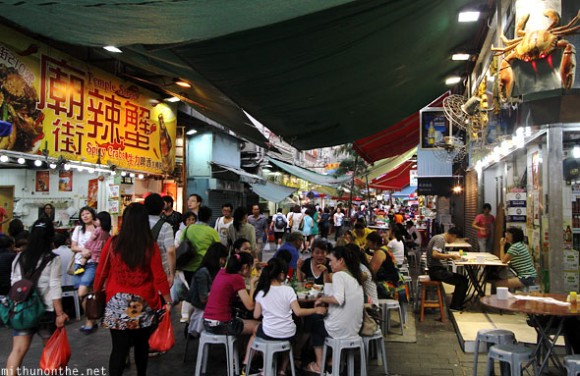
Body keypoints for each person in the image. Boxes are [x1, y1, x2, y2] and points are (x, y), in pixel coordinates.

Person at [94, 203, 172, 376]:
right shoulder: (150, 246)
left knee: (118, 350)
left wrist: (96, 291)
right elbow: (159, 276)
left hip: (116, 302)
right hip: (141, 303)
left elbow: (101, 271)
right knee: (141, 347)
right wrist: (168, 300)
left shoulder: (113, 243)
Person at [6, 218, 69, 376]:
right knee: (51, 353)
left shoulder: (19, 258)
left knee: (17, 350)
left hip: (23, 311)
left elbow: (15, 284)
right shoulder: (52, 259)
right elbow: (54, 286)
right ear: (50, 236)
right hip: (45, 313)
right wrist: (60, 313)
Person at [253, 258, 327, 375]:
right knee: (293, 334)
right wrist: (316, 310)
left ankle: (267, 365)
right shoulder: (288, 290)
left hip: (269, 333)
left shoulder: (262, 292)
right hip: (287, 334)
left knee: (259, 329)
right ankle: (283, 368)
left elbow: (256, 315)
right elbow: (298, 312)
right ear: (282, 274)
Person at [304, 246, 364, 374]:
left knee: (314, 321)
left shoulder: (339, 275)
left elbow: (338, 299)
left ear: (341, 260)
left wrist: (322, 299)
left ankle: (319, 365)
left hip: (340, 329)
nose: (329, 263)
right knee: (319, 320)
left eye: (331, 260)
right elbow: (330, 290)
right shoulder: (353, 277)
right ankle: (333, 360)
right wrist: (326, 274)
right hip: (353, 329)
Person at [203, 251, 259, 373]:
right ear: (244, 267)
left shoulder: (222, 272)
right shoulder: (237, 278)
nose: (251, 272)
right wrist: (253, 284)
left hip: (207, 322)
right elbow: (250, 306)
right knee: (258, 327)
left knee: (243, 322)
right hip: (222, 324)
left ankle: (240, 357)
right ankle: (246, 366)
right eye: (251, 268)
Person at [186, 242, 229, 337]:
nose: (223, 262)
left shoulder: (213, 271)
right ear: (216, 258)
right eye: (223, 259)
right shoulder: (203, 273)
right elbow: (203, 298)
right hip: (203, 310)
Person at [426, 227, 468, 311]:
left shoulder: (439, 238)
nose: (453, 241)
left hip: (436, 270)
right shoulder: (440, 239)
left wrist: (449, 257)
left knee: (462, 279)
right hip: (436, 271)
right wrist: (451, 256)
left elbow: (439, 255)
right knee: (463, 281)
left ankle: (456, 304)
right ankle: (455, 306)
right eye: (455, 239)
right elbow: (435, 254)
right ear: (453, 235)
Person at [71, 206, 97, 333]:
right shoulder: (78, 229)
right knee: (83, 295)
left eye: (87, 213)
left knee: (82, 292)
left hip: (92, 264)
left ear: (92, 215)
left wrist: (90, 253)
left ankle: (91, 319)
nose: (85, 216)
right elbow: (73, 246)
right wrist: (83, 250)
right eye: (82, 215)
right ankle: (90, 320)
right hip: (78, 264)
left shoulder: (98, 229)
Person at [144, 193, 176, 287]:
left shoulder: (138, 223)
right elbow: (170, 251)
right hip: (159, 270)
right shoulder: (166, 226)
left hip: (140, 270)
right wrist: (171, 273)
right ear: (161, 207)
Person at [367, 231, 405, 302]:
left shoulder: (379, 252)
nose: (367, 244)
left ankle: (373, 310)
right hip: (396, 284)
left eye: (368, 242)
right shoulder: (384, 248)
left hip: (390, 287)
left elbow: (371, 272)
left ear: (374, 243)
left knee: (366, 289)